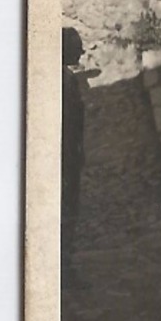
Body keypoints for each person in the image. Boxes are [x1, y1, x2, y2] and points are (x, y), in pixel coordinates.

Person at [62, 26, 87, 279]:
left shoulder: (66, 78)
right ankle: (64, 268)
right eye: (76, 47)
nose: (81, 51)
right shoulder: (66, 82)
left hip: (68, 156)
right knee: (66, 209)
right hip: (65, 160)